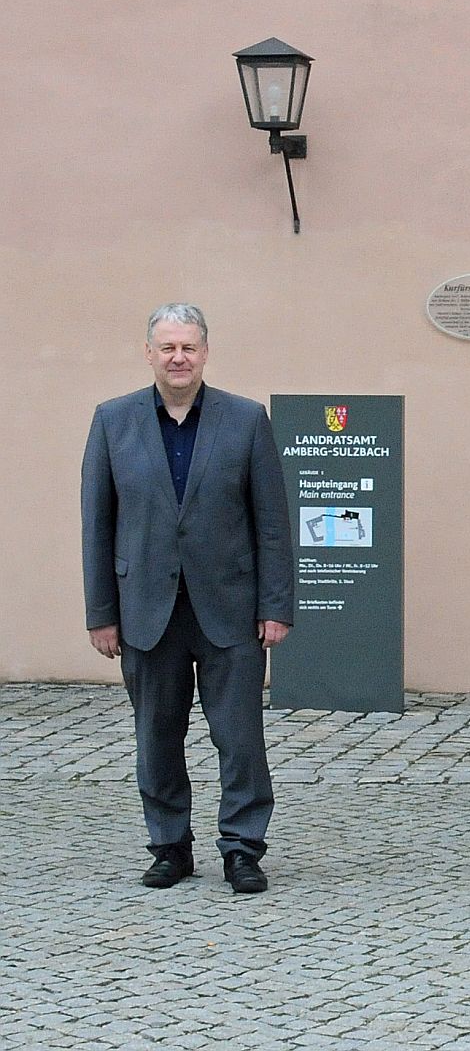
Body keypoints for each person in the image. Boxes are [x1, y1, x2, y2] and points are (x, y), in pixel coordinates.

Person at [80, 304, 295, 894]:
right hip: (145, 610)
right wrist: (102, 613)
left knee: (241, 737)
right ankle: (170, 847)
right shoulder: (113, 421)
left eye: (189, 348)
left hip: (230, 609)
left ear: (205, 353)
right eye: (168, 347)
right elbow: (97, 523)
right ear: (148, 353)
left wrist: (275, 605)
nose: (179, 358)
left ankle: (243, 848)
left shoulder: (246, 420)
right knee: (156, 735)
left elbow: (272, 522)